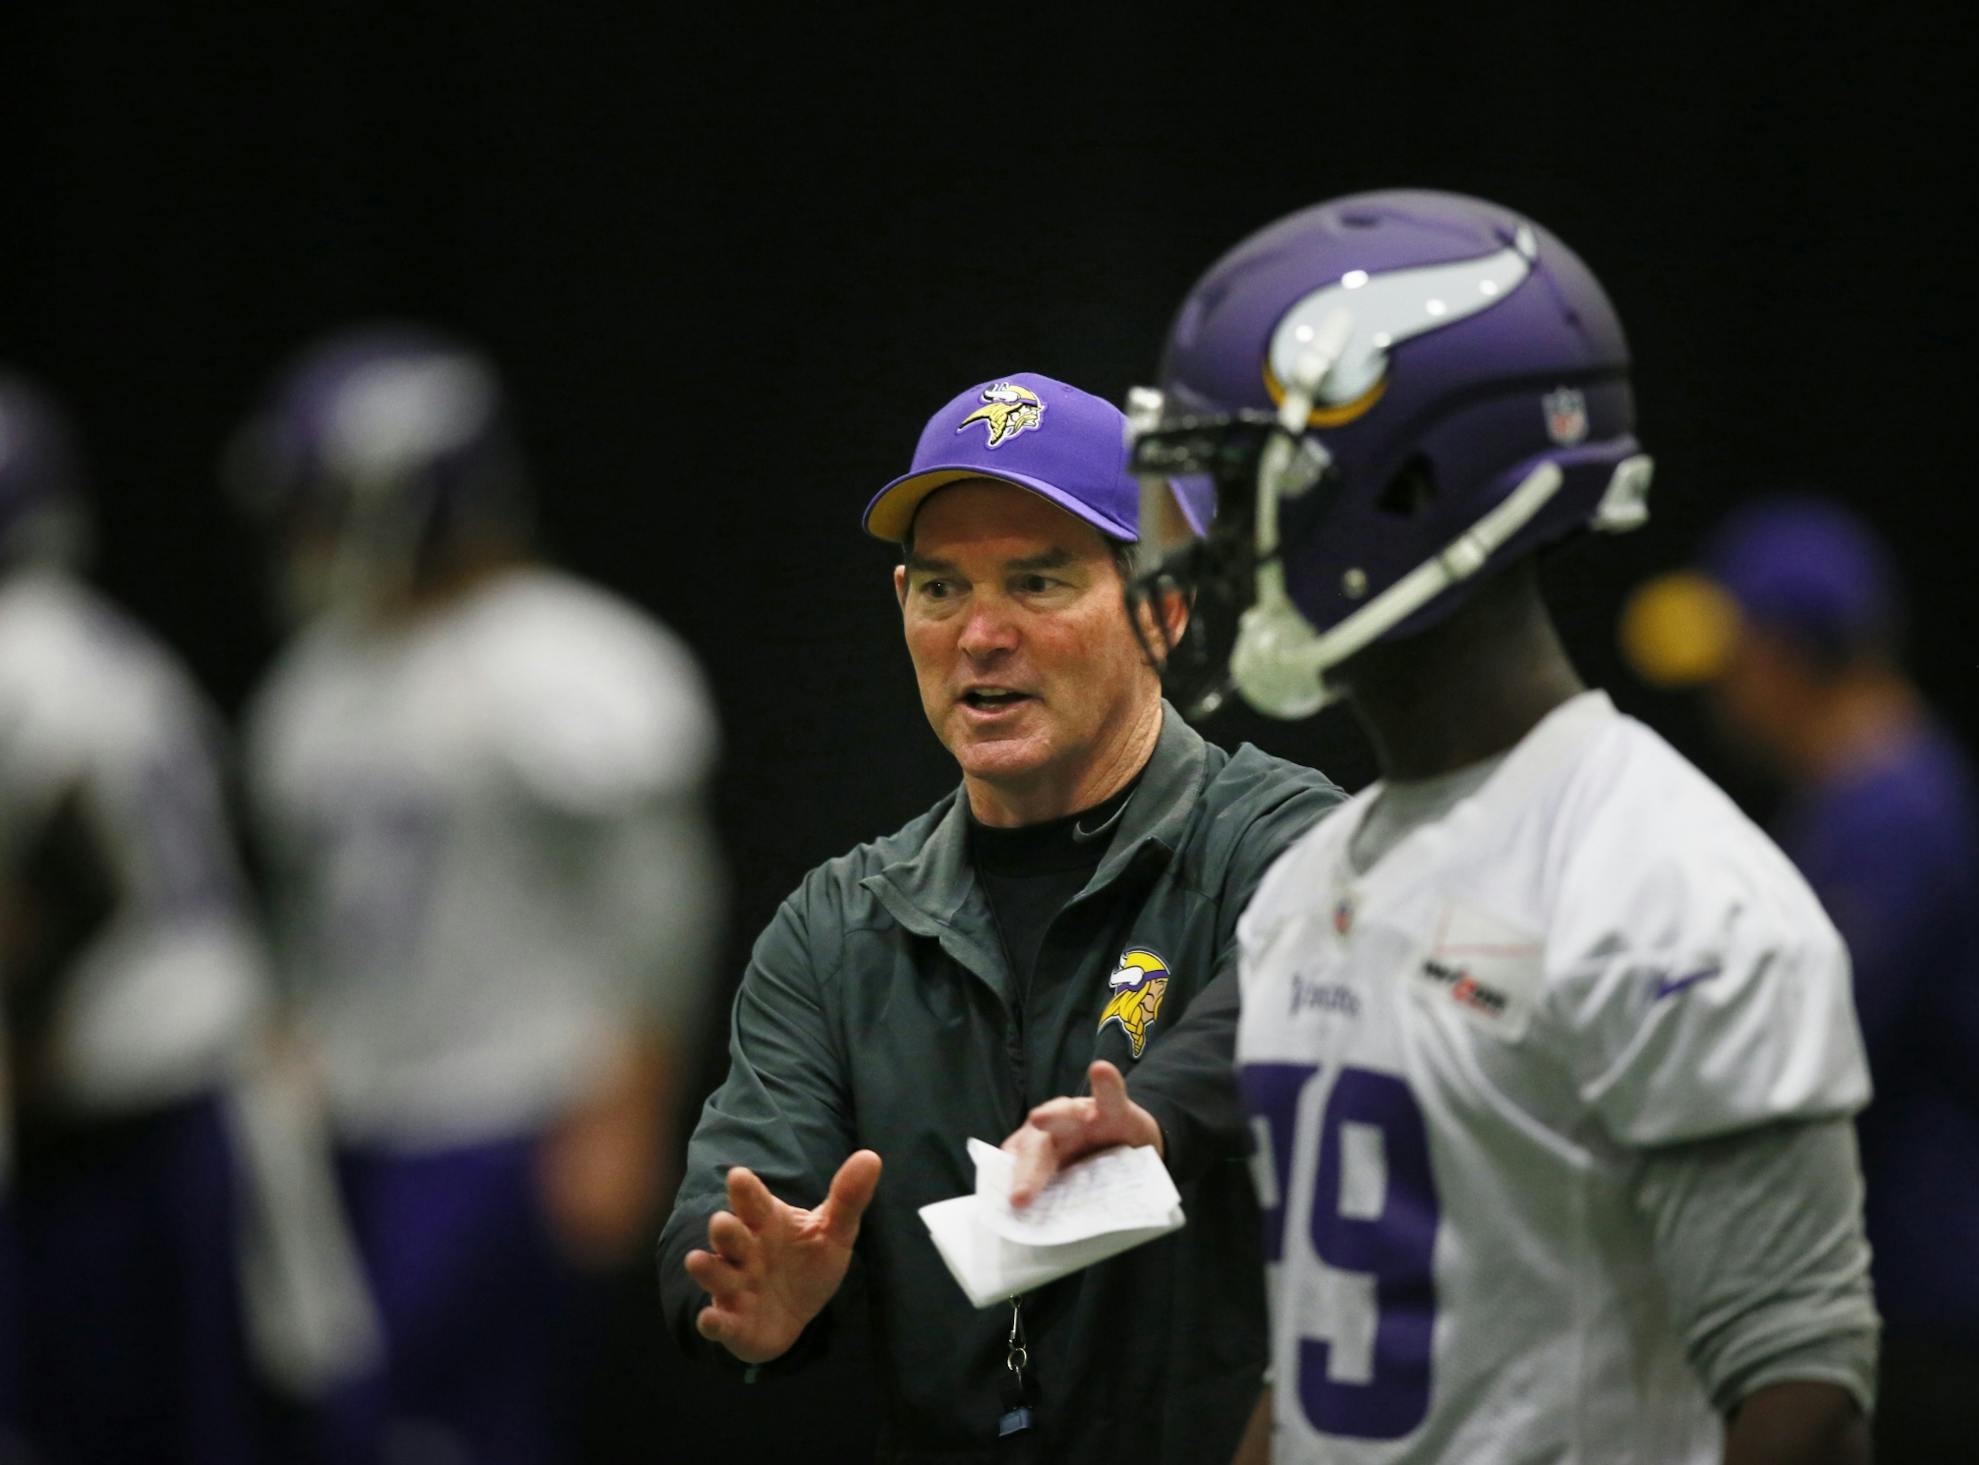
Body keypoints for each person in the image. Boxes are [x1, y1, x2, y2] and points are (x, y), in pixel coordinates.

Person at [1001, 191, 1882, 1464]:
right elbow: (1334, 1349)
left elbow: (1806, 1395)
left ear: (1406, 487)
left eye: (1238, 489)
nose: (1200, 547)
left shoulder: (1670, 893)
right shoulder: (1313, 882)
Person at [657, 372, 1340, 1462]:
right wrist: (741, 1283)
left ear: (1164, 611)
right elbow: (731, 1204)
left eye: (1037, 582)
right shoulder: (839, 926)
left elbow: (1295, 988)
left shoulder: (1284, 839)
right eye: (942, 589)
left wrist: (1152, 1115)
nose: (980, 634)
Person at [232, 326, 724, 1465]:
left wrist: (630, 1102)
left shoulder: (569, 660)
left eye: (327, 504)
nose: (306, 533)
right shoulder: (317, 680)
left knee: (459, 1429)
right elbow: (311, 908)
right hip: (340, 1114)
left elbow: (659, 903)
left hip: (504, 1107)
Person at [1622, 496, 1979, 1463]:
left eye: (1733, 661)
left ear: (1786, 655)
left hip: (1933, 1315)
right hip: (1918, 1302)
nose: (1721, 694)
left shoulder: (1892, 816)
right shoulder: (1856, 802)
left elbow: (1806, 1041)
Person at [0, 369, 287, 1463]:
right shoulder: (111, 647)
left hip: (107, 1097)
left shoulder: (18, 661)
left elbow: (73, 876)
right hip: (207, 1069)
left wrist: (23, 1032)